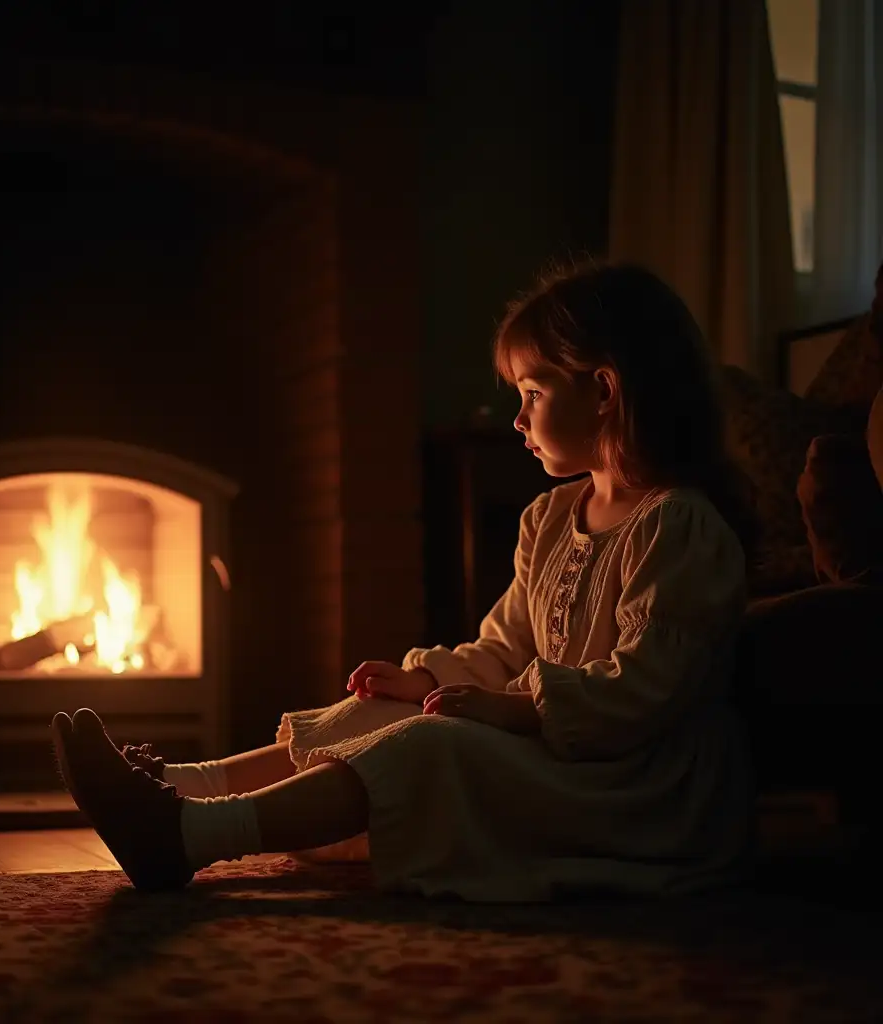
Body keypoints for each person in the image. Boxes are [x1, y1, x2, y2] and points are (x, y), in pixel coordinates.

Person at [52, 261, 755, 900]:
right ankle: (174, 788)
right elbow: (505, 649)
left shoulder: (678, 528)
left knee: (430, 744)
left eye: (532, 394)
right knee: (384, 715)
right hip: (556, 748)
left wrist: (510, 711)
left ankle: (190, 838)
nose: (516, 418)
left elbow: (646, 689)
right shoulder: (549, 519)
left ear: (603, 390)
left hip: (632, 790)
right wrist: (427, 683)